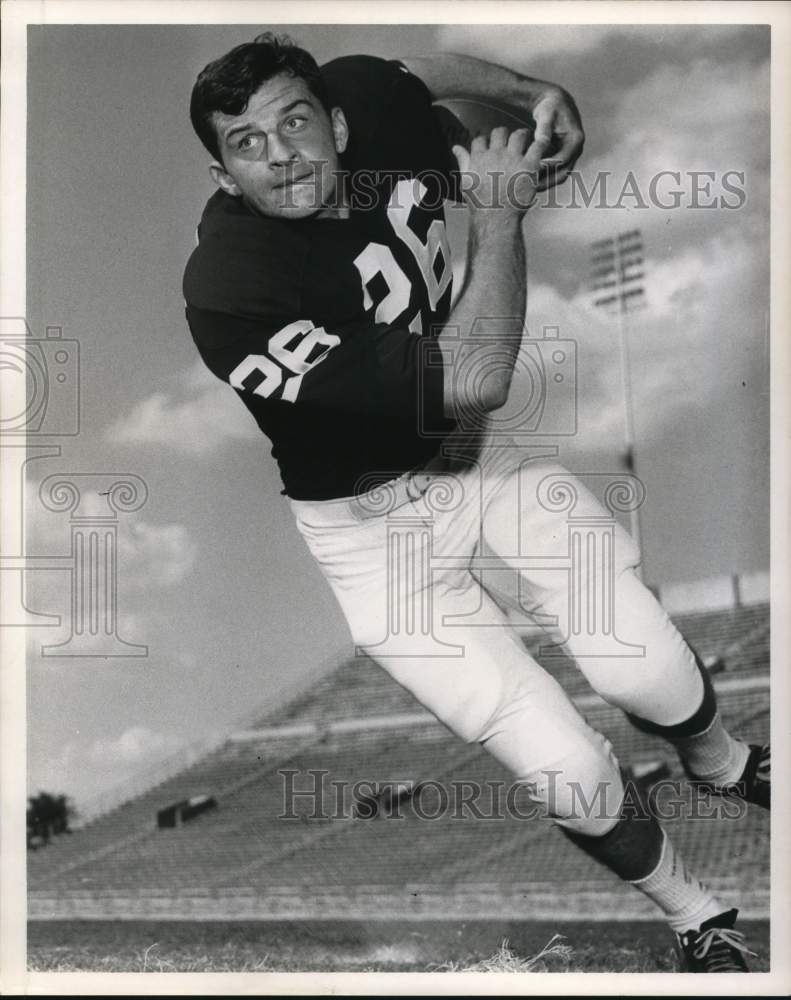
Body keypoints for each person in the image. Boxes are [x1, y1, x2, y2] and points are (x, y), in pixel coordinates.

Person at [183, 33, 769, 972]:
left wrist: (537, 86)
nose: (282, 153)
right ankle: (696, 911)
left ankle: (723, 763)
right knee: (567, 770)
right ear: (222, 172)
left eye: (295, 121)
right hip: (372, 535)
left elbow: (425, 72)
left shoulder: (365, 101)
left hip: (476, 467)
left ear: (334, 118)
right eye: (247, 143)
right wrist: (499, 219)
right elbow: (475, 376)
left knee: (642, 669)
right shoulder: (232, 289)